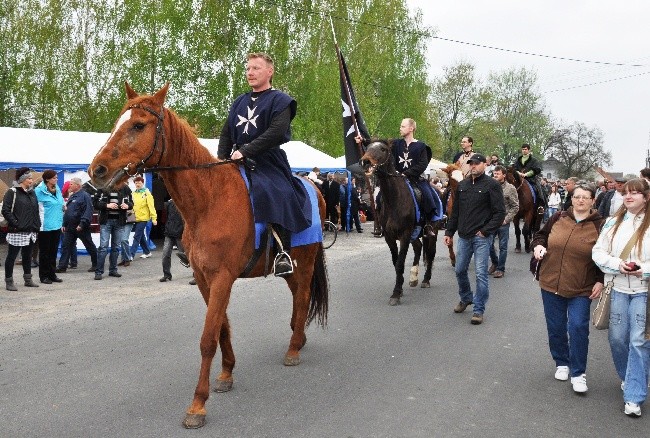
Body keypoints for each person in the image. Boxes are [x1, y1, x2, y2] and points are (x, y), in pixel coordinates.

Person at [217, 52, 311, 277]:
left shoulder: (282, 101)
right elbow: (227, 131)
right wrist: (221, 160)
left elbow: (275, 133)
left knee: (277, 192)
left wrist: (245, 151)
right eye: (248, 68)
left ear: (270, 72)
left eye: (256, 68)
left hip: (268, 161)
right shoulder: (239, 101)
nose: (250, 72)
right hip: (236, 159)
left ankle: (282, 253)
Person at [531, 182, 604, 394]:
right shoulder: (558, 217)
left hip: (582, 286)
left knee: (578, 327)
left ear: (592, 201)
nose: (580, 200)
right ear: (571, 199)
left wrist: (600, 279)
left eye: (585, 197)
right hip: (551, 281)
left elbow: (604, 255)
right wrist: (538, 245)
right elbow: (540, 235)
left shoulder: (600, 225)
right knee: (556, 326)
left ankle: (579, 372)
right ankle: (561, 362)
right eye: (576, 196)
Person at [592, 178, 650, 417]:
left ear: (646, 197)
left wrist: (643, 269)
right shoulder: (612, 222)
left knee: (638, 341)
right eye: (626, 193)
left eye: (635, 193)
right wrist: (618, 264)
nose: (629, 196)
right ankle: (630, 375)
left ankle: (634, 395)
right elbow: (598, 252)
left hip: (643, 291)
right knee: (617, 340)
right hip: (616, 288)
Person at [444, 153, 506, 325]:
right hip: (463, 236)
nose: (473, 166)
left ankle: (478, 309)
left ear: (484, 165)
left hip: (481, 238)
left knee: (480, 274)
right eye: (471, 164)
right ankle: (466, 298)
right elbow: (456, 212)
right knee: (459, 270)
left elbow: (500, 212)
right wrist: (449, 232)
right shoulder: (462, 185)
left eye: (476, 164)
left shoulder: (492, 185)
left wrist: (486, 231)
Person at [2, 167, 41, 290]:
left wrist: (37, 225)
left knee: (27, 256)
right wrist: (16, 223)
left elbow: (35, 211)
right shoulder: (12, 192)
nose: (31, 180)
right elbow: (6, 210)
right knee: (12, 257)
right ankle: (9, 281)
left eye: (31, 178)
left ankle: (28, 279)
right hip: (17, 231)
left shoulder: (32, 193)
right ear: (22, 180)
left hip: (30, 230)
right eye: (29, 178)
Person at [56, 178, 98, 273]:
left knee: (89, 245)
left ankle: (96, 264)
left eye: (71, 184)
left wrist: (82, 224)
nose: (69, 186)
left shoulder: (85, 196)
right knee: (66, 246)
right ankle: (62, 266)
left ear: (77, 185)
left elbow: (88, 211)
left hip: (80, 226)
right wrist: (64, 223)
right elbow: (68, 211)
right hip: (70, 226)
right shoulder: (72, 196)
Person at [93, 183, 133, 280]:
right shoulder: (103, 187)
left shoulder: (125, 188)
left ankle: (113, 270)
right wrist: (107, 205)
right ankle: (98, 272)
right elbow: (95, 203)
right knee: (103, 247)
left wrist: (127, 205)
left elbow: (131, 203)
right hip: (106, 222)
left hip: (120, 222)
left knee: (116, 247)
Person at [34, 169, 65, 284]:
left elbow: (61, 201)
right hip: (45, 226)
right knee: (44, 252)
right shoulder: (38, 191)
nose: (56, 179)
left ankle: (52, 274)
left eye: (57, 177)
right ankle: (44, 276)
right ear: (47, 179)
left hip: (56, 225)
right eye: (54, 178)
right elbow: (35, 208)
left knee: (53, 251)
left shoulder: (57, 189)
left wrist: (64, 205)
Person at [489, 165, 519, 278]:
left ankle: (500, 269)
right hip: (491, 221)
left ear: (504, 175)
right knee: (488, 244)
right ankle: (495, 262)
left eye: (498, 174)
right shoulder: (489, 186)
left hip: (503, 222)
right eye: (494, 173)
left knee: (503, 246)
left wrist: (507, 219)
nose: (495, 175)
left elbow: (515, 206)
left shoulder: (510, 188)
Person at [513, 143, 547, 213]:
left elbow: (537, 169)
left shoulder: (534, 160)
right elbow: (514, 168)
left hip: (531, 179)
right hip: (519, 179)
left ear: (529, 150)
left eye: (525, 149)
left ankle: (540, 205)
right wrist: (519, 173)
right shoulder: (518, 160)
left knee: (540, 188)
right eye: (523, 149)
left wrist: (526, 174)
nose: (524, 151)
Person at [129, 175, 157, 259]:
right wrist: (129, 217)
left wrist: (154, 218)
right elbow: (131, 205)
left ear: (143, 183)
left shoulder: (147, 193)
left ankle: (131, 254)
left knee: (137, 235)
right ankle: (147, 252)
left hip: (143, 218)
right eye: (136, 183)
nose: (138, 184)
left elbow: (151, 206)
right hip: (134, 217)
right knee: (140, 236)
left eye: (139, 183)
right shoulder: (133, 193)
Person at [159, 199, 186, 282]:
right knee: (165, 254)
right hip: (169, 232)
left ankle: (196, 274)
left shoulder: (184, 203)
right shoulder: (169, 204)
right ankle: (166, 275)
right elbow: (166, 218)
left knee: (186, 255)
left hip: (180, 233)